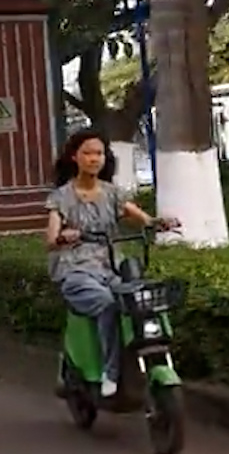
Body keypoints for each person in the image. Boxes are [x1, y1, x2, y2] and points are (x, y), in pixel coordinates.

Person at [45, 129, 178, 398]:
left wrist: (156, 222)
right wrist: (63, 237)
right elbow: (50, 238)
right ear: (75, 157)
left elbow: (138, 215)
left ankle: (139, 359)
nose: (94, 159)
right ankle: (110, 373)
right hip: (76, 271)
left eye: (99, 153)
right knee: (107, 303)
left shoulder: (111, 193)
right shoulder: (61, 197)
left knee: (138, 298)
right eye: (88, 153)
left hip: (109, 268)